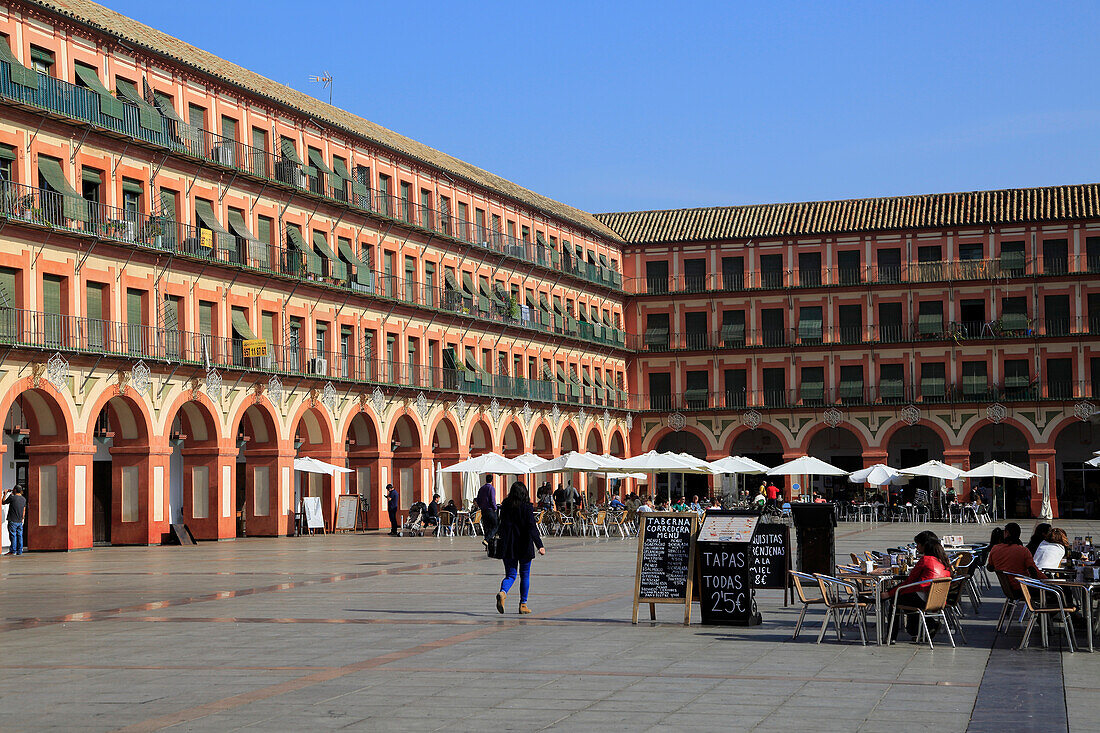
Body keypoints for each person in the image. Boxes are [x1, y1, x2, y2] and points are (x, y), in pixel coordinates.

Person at [884, 530, 952, 640]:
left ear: (924, 545)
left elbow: (910, 582)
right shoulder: (943, 560)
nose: (916, 547)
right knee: (904, 597)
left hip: (923, 597)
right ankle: (926, 626)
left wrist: (889, 594)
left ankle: (891, 637)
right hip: (938, 599)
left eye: (918, 544)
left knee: (895, 600)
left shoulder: (925, 560)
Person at [495, 481, 546, 615]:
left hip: (508, 546)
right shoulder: (527, 507)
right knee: (525, 575)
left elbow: (501, 525)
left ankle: (503, 592)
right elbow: (531, 527)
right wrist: (539, 545)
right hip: (524, 545)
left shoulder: (505, 506)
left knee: (510, 575)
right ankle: (523, 604)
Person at [988, 522, 1047, 594]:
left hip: (1008, 589)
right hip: (1024, 588)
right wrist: (1048, 581)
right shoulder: (1023, 551)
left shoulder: (995, 549)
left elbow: (990, 567)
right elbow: (1034, 571)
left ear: (1006, 533)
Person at [3, 485, 27, 556]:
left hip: (12, 520)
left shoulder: (12, 498)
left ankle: (13, 550)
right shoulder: (23, 499)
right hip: (19, 521)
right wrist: (22, 518)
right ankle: (19, 551)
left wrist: (5, 494)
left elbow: (3, 502)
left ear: (15, 490)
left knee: (13, 536)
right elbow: (24, 510)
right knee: (19, 536)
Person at [476, 473, 499, 544]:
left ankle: (487, 544)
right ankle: (487, 539)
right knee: (495, 525)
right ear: (492, 480)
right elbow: (492, 499)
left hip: (483, 510)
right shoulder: (491, 488)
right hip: (490, 510)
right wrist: (495, 507)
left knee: (486, 527)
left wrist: (481, 506)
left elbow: (478, 499)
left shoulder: (481, 488)